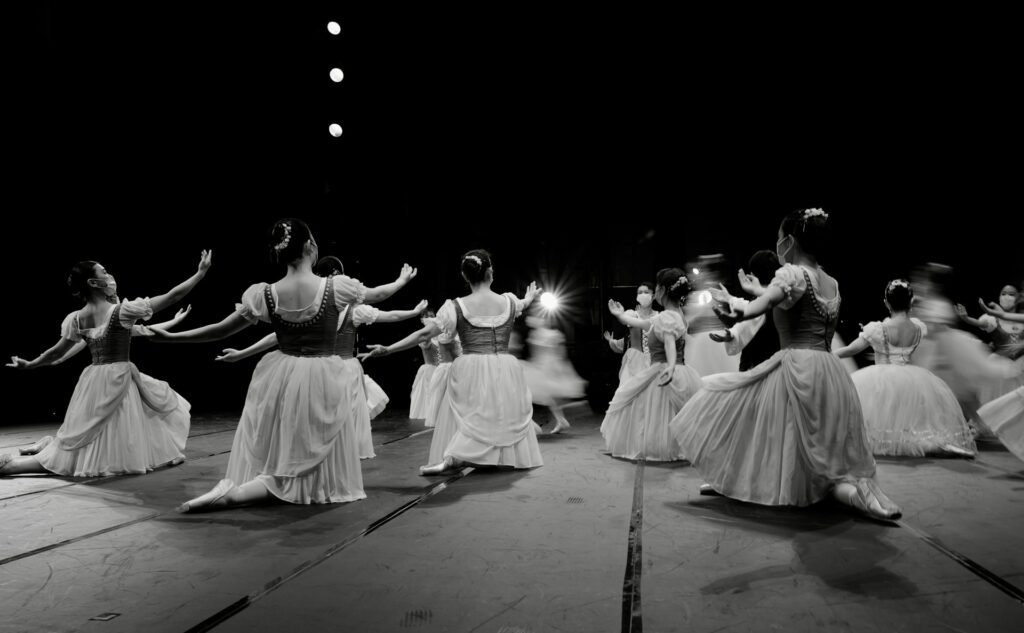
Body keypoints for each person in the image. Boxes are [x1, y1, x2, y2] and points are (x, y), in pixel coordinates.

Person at [148, 219, 415, 511]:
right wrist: (401, 282)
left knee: (288, 434)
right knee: (314, 438)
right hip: (322, 372)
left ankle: (253, 487)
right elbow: (379, 294)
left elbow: (220, 329)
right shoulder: (335, 287)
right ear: (310, 246)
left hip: (282, 372)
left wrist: (174, 337)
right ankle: (246, 493)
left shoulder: (265, 293)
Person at [670, 208, 902, 521]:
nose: (779, 244)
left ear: (790, 240)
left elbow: (765, 304)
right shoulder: (830, 281)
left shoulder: (791, 274)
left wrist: (739, 308)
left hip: (797, 364)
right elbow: (782, 299)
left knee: (737, 405)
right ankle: (849, 490)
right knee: (806, 435)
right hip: (829, 369)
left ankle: (735, 477)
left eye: (780, 239)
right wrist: (752, 294)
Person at [2, 252, 211, 476]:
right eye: (103, 271)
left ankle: (25, 462)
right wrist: (199, 274)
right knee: (119, 423)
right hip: (119, 375)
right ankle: (21, 464)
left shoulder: (77, 318)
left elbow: (55, 352)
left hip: (94, 379)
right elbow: (171, 296)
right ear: (93, 282)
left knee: (93, 427)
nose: (109, 275)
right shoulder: (122, 311)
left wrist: (30, 364)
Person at [364, 249, 542, 475]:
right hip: (504, 366)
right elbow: (522, 305)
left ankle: (455, 456)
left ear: (466, 277)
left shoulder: (456, 306)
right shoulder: (508, 301)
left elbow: (423, 335)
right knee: (498, 408)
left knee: (472, 412)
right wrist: (529, 298)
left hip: (471, 366)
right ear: (490, 272)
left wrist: (389, 349)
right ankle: (485, 455)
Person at [834, 280, 975, 457]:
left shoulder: (878, 328)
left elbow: (851, 350)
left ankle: (885, 442)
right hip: (910, 379)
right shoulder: (918, 328)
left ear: (886, 302)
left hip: (882, 379)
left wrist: (828, 354)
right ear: (910, 302)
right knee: (907, 418)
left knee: (879, 411)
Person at [601, 268, 703, 461]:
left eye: (655, 287)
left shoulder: (668, 317)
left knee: (653, 410)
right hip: (674, 369)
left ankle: (663, 449)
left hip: (664, 369)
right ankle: (674, 448)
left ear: (663, 290)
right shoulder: (674, 314)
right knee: (664, 413)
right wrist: (621, 316)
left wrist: (671, 365)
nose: (653, 291)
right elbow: (645, 324)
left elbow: (669, 341)